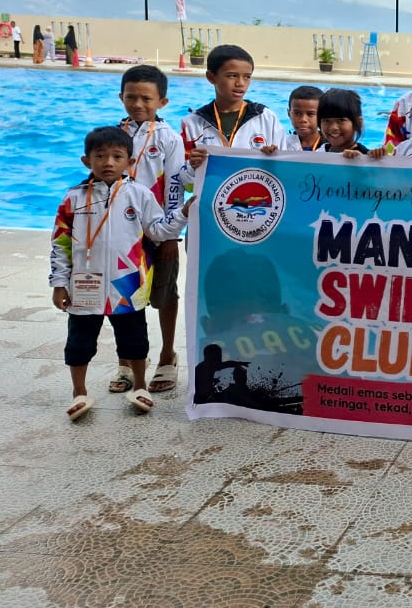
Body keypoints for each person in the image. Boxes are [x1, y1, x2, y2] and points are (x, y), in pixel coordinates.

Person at [51, 126, 192, 420]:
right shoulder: (73, 198)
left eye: (117, 156)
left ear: (130, 161)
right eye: (100, 156)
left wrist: (182, 214)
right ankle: (79, 392)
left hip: (127, 286)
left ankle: (140, 387)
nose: (108, 162)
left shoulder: (139, 195)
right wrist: (59, 283)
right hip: (84, 287)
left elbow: (157, 231)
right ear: (86, 161)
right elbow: (61, 243)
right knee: (78, 344)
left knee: (134, 341)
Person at [117, 65, 187, 395]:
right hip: (122, 231)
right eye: (131, 97)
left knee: (164, 294)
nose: (138, 104)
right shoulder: (114, 134)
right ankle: (127, 360)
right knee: (123, 294)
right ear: (121, 97)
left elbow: (175, 186)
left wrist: (172, 235)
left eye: (147, 98)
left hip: (160, 230)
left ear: (162, 101)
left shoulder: (169, 138)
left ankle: (167, 354)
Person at [181, 45, 286, 171]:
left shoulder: (266, 118)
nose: (240, 83)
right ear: (211, 77)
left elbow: (285, 167)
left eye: (247, 76)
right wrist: (192, 167)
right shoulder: (192, 123)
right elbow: (181, 177)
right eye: (232, 76)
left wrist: (273, 160)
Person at [317, 88, 370, 156]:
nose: (333, 127)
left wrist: (360, 160)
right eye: (326, 120)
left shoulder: (366, 156)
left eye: (341, 120)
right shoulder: (320, 150)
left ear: (358, 123)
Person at [281, 86, 323, 151]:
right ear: (289, 114)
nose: (303, 119)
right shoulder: (281, 145)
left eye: (310, 114)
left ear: (322, 115)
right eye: (297, 113)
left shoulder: (332, 146)